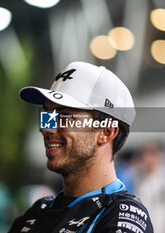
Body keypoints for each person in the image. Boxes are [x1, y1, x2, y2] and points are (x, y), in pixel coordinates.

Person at [8, 61, 153, 233]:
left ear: (106, 132)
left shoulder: (122, 215)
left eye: (65, 117)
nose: (46, 128)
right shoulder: (38, 211)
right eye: (47, 115)